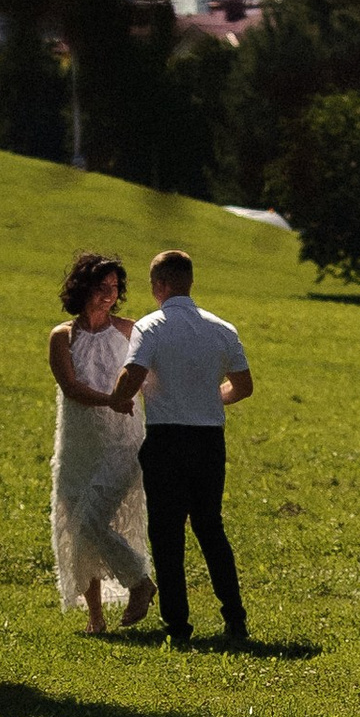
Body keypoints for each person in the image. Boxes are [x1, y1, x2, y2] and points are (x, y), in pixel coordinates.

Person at [113, 247, 252, 647]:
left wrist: (120, 397)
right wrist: (210, 398)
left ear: (158, 285)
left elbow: (132, 374)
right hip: (209, 440)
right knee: (211, 528)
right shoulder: (222, 328)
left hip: (167, 438)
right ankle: (235, 618)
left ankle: (178, 627)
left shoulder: (151, 326)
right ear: (189, 281)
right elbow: (243, 387)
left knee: (167, 533)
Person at [47, 249, 156, 637]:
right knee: (78, 525)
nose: (108, 294)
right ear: (82, 288)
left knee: (92, 520)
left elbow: (151, 379)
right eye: (101, 287)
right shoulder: (63, 335)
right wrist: (110, 398)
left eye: (114, 288)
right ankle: (96, 617)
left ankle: (140, 582)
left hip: (122, 442)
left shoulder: (131, 330)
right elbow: (71, 387)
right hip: (78, 443)